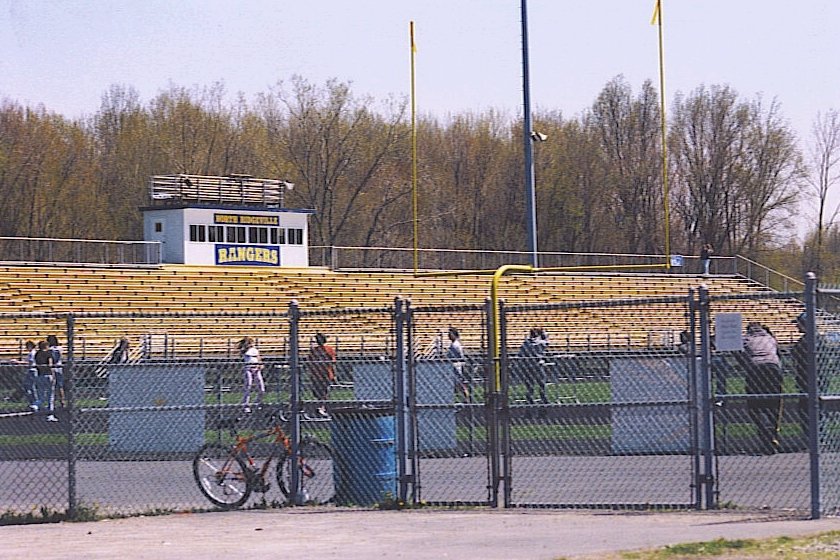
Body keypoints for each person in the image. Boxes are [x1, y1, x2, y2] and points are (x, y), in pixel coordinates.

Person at [739, 322, 782, 454]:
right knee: (774, 405)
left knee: (755, 406)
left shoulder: (746, 339)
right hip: (773, 369)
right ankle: (773, 434)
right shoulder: (770, 338)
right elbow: (778, 353)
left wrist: (747, 364)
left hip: (756, 369)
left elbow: (741, 354)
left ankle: (765, 433)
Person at [518, 327, 549, 408]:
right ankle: (542, 398)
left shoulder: (526, 343)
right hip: (536, 364)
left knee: (532, 384)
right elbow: (546, 342)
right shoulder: (539, 342)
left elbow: (521, 353)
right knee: (540, 383)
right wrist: (544, 334)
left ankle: (531, 398)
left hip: (529, 365)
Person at [309, 333, 337, 417]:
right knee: (320, 392)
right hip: (319, 374)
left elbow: (332, 362)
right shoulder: (315, 350)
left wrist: (333, 374)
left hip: (323, 374)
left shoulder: (327, 349)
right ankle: (321, 407)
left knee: (323, 391)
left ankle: (321, 407)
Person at [34, 340, 58, 422]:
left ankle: (37, 406)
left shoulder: (37, 354)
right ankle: (50, 414)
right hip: (48, 375)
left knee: (41, 394)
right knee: (50, 395)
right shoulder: (49, 353)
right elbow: (50, 364)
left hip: (40, 375)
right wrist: (53, 375)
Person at [238, 336, 264, 413]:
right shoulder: (244, 351)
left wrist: (260, 364)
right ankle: (246, 405)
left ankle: (258, 403)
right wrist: (245, 347)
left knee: (261, 388)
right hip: (248, 368)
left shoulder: (255, 350)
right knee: (248, 386)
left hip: (256, 369)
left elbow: (258, 358)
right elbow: (241, 356)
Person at [447, 327, 469, 400]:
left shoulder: (456, 345)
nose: (448, 336)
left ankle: (466, 399)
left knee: (460, 383)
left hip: (457, 366)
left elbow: (461, 355)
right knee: (457, 384)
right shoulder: (453, 344)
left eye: (450, 334)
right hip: (453, 366)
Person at [47, 335, 65, 408]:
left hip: (53, 367)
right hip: (59, 367)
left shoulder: (49, 349)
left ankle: (53, 402)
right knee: (60, 386)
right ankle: (62, 401)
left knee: (52, 386)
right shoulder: (60, 348)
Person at [22, 340, 39, 411]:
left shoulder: (32, 353)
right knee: (29, 387)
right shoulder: (31, 353)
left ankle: (35, 403)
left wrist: (18, 362)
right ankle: (33, 402)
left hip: (32, 371)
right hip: (30, 371)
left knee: (32, 387)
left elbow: (29, 363)